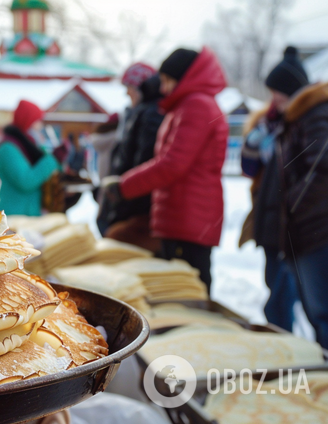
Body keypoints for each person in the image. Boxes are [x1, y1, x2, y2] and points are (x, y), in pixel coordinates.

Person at [110, 47, 228, 291]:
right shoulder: (187, 105)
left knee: (188, 292)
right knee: (180, 290)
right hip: (182, 215)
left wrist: (124, 186)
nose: (162, 89)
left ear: (182, 77)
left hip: (189, 216)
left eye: (166, 81)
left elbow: (173, 164)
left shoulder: (197, 106)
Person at [268, 46, 328, 347]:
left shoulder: (316, 114)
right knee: (315, 311)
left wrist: (291, 204)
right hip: (305, 230)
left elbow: (321, 169)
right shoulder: (296, 118)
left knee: (322, 312)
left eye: (277, 92)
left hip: (317, 231)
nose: (273, 100)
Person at [240, 100, 299, 332]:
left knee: (287, 293)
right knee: (276, 287)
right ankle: (281, 339)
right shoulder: (265, 125)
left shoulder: (300, 125)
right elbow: (249, 168)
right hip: (269, 215)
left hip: (294, 221)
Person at [102, 74, 164, 253]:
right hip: (131, 197)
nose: (127, 94)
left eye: (130, 89)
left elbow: (142, 162)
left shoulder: (150, 114)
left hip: (136, 203)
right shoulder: (141, 112)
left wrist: (123, 194)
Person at [0, 100, 66, 216]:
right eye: (37, 121)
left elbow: (48, 172)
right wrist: (52, 159)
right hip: (12, 217)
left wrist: (60, 163)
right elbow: (26, 181)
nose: (40, 126)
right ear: (27, 121)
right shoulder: (8, 149)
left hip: (31, 215)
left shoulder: (32, 146)